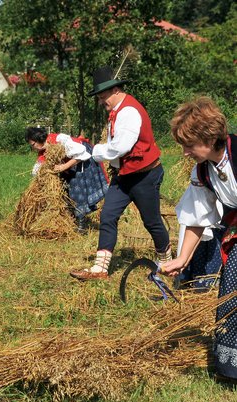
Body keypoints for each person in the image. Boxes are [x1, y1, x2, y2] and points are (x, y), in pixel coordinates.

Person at [70, 66, 171, 280]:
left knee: (151, 221)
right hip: (124, 176)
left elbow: (121, 147)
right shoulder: (117, 111)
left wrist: (95, 151)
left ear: (115, 90)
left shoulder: (129, 112)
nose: (101, 102)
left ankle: (168, 263)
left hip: (144, 175)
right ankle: (100, 269)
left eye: (103, 97)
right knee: (107, 216)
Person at [162, 96, 237, 381]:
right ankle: (232, 368)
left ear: (208, 137)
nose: (184, 153)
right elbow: (196, 217)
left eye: (188, 145)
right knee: (231, 292)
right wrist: (182, 258)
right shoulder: (203, 171)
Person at [25, 126, 109, 232]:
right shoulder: (43, 151)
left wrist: (63, 167)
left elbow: (81, 154)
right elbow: (37, 169)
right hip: (69, 164)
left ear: (39, 139)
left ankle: (81, 226)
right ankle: (74, 219)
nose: (33, 147)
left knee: (77, 190)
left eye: (33, 144)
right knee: (66, 189)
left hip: (81, 159)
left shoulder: (59, 140)